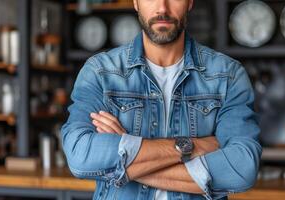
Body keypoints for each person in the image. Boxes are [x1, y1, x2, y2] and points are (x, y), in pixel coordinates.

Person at [61, 0, 262, 199]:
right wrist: (190, 146)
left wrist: (126, 152)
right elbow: (80, 155)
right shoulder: (99, 72)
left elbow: (242, 168)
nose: (162, 8)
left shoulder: (228, 75)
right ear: (136, 2)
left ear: (190, 2)